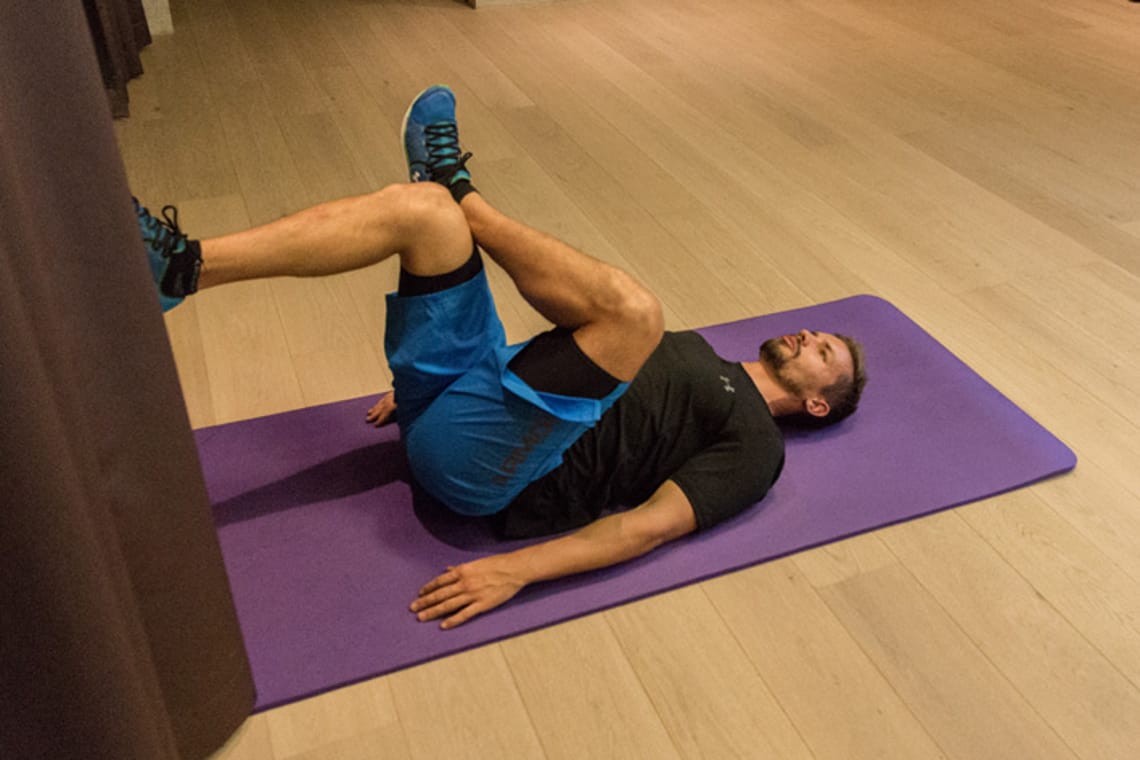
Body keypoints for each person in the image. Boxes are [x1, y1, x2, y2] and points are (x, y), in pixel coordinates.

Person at [135, 85, 867, 629]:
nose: (806, 335)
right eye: (814, 331)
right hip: (472, 395)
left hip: (493, 473)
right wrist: (456, 394)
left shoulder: (757, 446)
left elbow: (649, 526)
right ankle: (181, 270)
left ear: (816, 402)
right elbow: (571, 365)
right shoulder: (699, 354)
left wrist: (517, 572)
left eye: (823, 350)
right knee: (419, 217)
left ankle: (464, 193)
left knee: (635, 314)